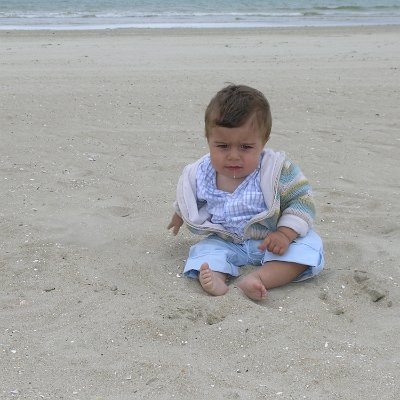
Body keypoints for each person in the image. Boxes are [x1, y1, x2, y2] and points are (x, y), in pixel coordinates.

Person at [167, 84, 324, 301]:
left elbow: (302, 200)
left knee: (308, 248)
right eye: (222, 146)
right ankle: (217, 277)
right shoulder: (201, 173)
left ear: (264, 140)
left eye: (246, 147)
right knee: (203, 253)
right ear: (208, 139)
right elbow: (189, 196)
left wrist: (285, 234)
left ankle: (260, 278)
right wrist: (180, 213)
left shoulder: (277, 171)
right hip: (226, 240)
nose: (233, 156)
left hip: (270, 241)